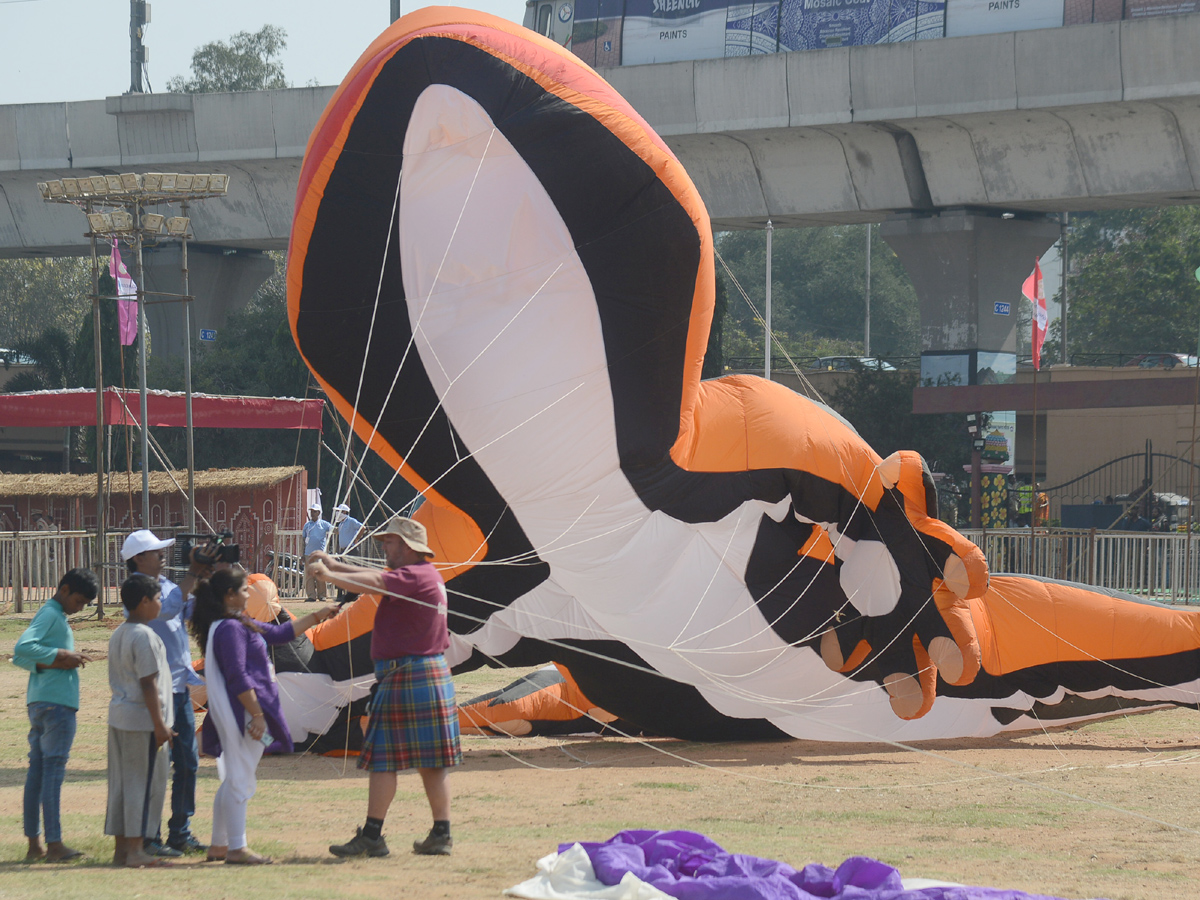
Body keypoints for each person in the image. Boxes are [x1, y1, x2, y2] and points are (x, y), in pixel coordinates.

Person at [310, 516, 461, 858]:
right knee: (431, 761)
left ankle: (374, 837)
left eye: (389, 542)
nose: (383, 547)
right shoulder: (425, 575)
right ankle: (441, 833)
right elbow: (380, 578)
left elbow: (377, 581)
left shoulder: (412, 575)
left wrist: (330, 575)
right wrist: (335, 565)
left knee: (383, 758)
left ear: (407, 546)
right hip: (425, 672)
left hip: (408, 673)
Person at [191, 569, 337, 864]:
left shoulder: (237, 621)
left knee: (234, 777)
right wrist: (257, 714)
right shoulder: (230, 629)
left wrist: (319, 615)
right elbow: (238, 675)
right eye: (244, 590)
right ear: (229, 596)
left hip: (246, 711)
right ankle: (236, 847)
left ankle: (220, 845)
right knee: (240, 779)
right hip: (244, 712)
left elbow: (279, 633)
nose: (249, 594)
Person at [121, 529, 204, 856]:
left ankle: (180, 832)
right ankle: (150, 837)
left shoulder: (168, 586)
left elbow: (184, 610)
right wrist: (194, 572)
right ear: (138, 558)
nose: (163, 555)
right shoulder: (137, 593)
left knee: (188, 763)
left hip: (180, 686)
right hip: (156, 692)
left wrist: (206, 578)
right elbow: (168, 610)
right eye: (156, 551)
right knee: (156, 768)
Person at [14, 567, 99, 863]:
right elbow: (22, 648)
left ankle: (34, 845)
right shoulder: (51, 614)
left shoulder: (53, 615)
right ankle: (54, 844)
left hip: (39, 703)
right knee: (52, 775)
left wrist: (52, 662)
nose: (80, 608)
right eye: (78, 601)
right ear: (64, 590)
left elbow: (22, 658)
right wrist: (62, 657)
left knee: (36, 775)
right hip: (57, 705)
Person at [106, 573, 175, 869]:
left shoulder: (120, 632)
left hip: (121, 717)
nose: (160, 604)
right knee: (142, 784)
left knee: (122, 783)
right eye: (158, 599)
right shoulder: (144, 636)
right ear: (144, 602)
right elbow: (148, 684)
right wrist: (160, 724)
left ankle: (122, 849)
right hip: (143, 721)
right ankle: (136, 849)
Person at [303, 504, 334, 601]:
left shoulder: (324, 524)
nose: (312, 513)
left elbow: (334, 529)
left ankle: (322, 595)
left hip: (320, 554)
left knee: (320, 574)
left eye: (314, 511)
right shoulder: (307, 525)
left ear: (319, 513)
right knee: (309, 576)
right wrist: (302, 554)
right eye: (311, 511)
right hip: (308, 553)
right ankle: (311, 596)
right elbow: (303, 539)